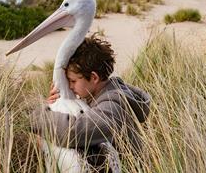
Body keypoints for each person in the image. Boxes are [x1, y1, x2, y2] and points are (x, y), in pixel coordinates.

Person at [30, 34, 151, 171]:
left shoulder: (113, 105)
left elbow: (75, 132)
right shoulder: (95, 95)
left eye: (73, 81)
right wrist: (53, 104)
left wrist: (39, 116)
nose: (69, 86)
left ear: (94, 77)